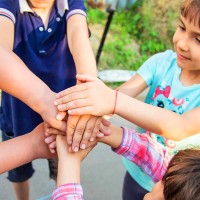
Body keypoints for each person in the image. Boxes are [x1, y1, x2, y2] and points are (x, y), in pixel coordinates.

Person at [54, 0, 200, 198]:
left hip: (182, 187)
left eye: (198, 39)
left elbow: (179, 127)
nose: (182, 43)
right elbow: (120, 96)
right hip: (137, 168)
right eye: (182, 27)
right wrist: (79, 118)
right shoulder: (162, 63)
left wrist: (111, 101)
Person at [0, 0, 107, 199]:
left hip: (62, 114)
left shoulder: (73, 3)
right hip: (17, 113)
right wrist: (45, 100)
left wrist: (88, 88)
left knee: (64, 164)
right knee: (18, 171)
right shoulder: (8, 3)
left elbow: (78, 37)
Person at [52, 124, 200, 200]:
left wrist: (68, 161)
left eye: (164, 183)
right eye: (164, 180)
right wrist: (97, 130)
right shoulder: (185, 186)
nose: (157, 186)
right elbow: (151, 154)